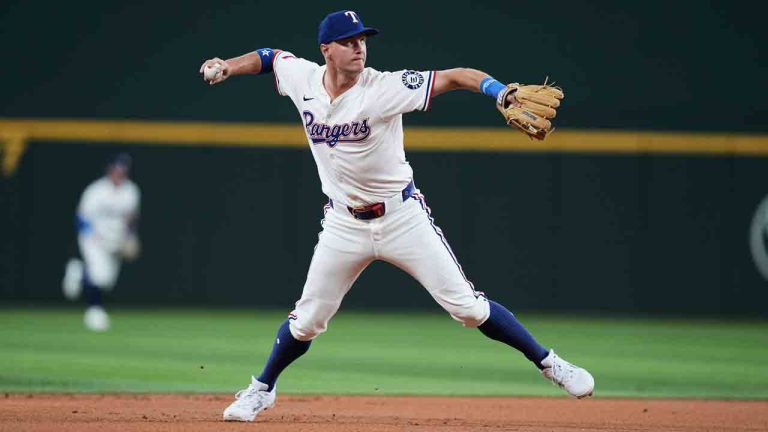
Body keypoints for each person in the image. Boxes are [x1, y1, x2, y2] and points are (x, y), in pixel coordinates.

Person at [199, 10, 594, 422]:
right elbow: (270, 56)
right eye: (349, 41)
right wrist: (229, 65)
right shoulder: (303, 79)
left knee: (469, 309)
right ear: (326, 50)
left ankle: (550, 364)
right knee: (307, 321)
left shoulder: (385, 87)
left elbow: (457, 75)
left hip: (401, 217)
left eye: (362, 40)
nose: (359, 47)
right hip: (343, 224)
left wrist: (499, 92)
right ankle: (261, 390)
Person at [61, 153, 141, 331]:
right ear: (110, 169)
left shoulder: (131, 191)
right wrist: (91, 235)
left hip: (116, 241)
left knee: (107, 281)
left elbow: (132, 218)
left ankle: (79, 273)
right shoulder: (96, 190)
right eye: (117, 168)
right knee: (98, 274)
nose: (119, 172)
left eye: (123, 169)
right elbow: (81, 217)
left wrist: (131, 236)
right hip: (94, 239)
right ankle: (94, 312)